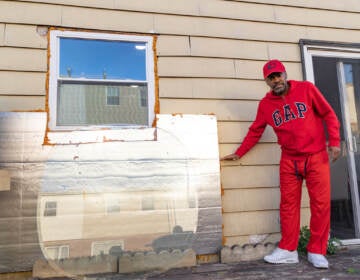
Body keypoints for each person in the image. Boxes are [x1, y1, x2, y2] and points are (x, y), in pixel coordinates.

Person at [221, 59, 341, 269]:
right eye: (271, 77)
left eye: (278, 75)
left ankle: (317, 251)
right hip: (289, 160)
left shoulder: (307, 89)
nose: (276, 80)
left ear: (285, 75)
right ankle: (288, 249)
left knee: (320, 205)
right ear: (266, 81)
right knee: (288, 206)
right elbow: (256, 130)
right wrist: (239, 153)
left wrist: (335, 142)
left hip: (315, 156)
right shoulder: (266, 105)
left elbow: (328, 114)